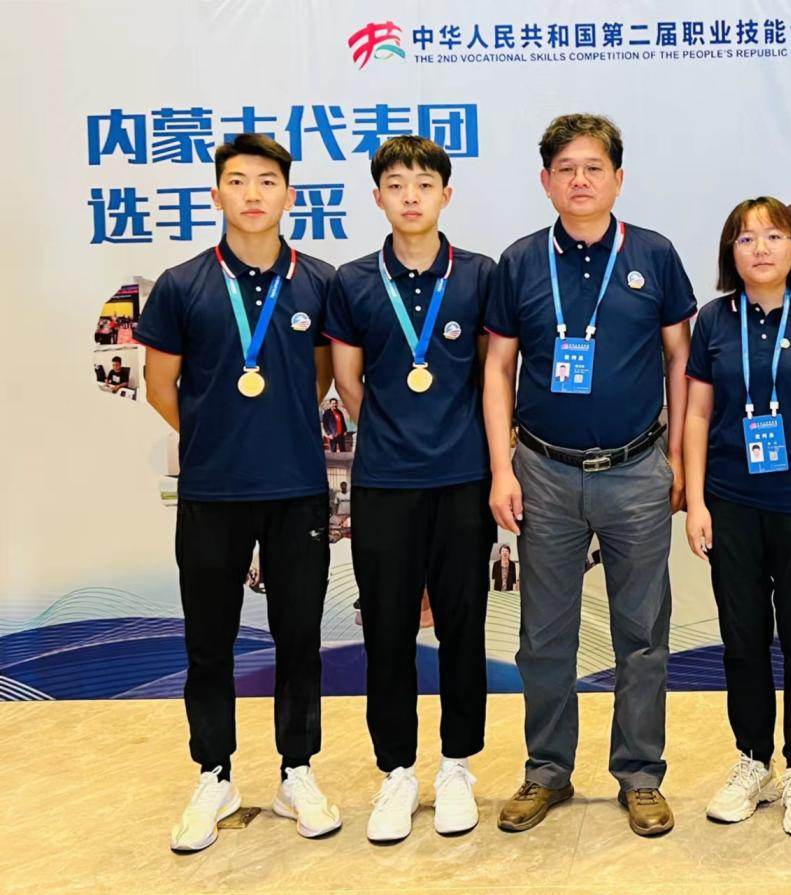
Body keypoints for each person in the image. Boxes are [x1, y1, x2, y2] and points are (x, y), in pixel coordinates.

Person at [484, 114, 696, 837]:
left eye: (594, 167)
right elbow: (497, 368)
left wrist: (677, 459)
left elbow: (680, 358)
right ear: (545, 181)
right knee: (544, 635)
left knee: (642, 634)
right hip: (542, 471)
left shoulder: (654, 254)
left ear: (618, 178)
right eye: (566, 169)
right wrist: (501, 469)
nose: (580, 180)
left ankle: (640, 774)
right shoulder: (519, 261)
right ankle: (547, 769)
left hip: (636, 469)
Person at [134, 134, 341, 853]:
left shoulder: (318, 282)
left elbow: (319, 379)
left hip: (296, 489)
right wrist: (218, 434)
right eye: (238, 180)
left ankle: (297, 770)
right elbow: (161, 386)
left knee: (299, 637)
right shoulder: (181, 284)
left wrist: (272, 430)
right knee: (209, 639)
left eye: (267, 181)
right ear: (216, 194)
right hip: (212, 490)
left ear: (290, 195)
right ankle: (214, 773)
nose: (253, 193)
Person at [324, 135, 497, 843]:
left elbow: (490, 372)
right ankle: (396, 771)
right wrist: (396, 435)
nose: (411, 197)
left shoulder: (478, 275)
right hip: (385, 482)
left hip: (463, 480)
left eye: (424, 185)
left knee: (462, 626)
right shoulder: (353, 280)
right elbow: (347, 380)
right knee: (389, 631)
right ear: (378, 198)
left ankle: (457, 766)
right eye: (396, 185)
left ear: (446, 195)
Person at [684, 196, 791, 837]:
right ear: (729, 252)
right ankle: (753, 761)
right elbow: (696, 413)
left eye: (774, 235)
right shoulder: (714, 320)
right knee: (743, 639)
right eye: (746, 238)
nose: (760, 248)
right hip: (732, 502)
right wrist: (696, 501)